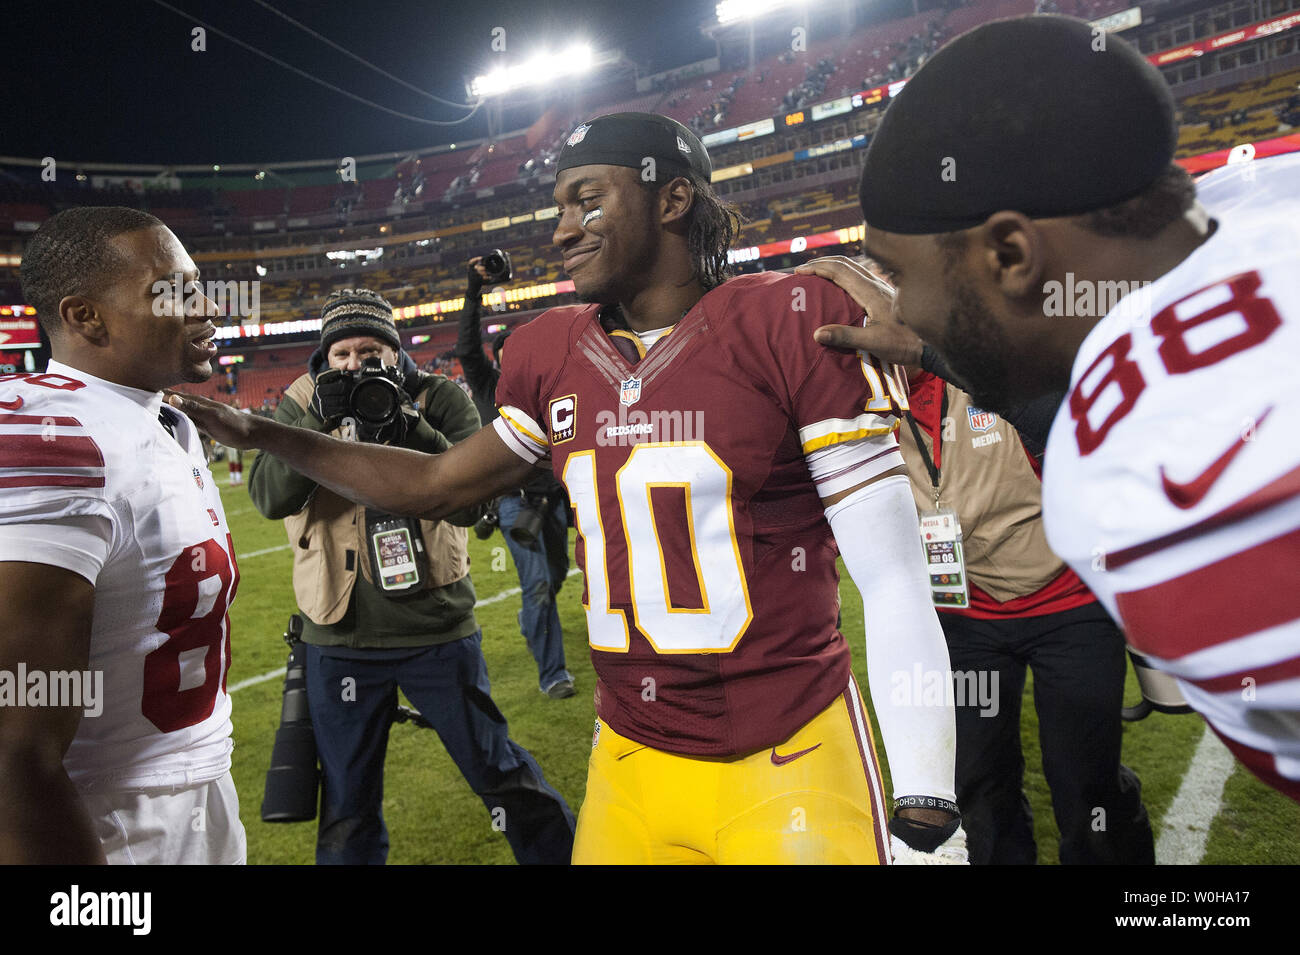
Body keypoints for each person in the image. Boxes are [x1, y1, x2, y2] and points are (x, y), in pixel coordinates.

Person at [170, 112, 966, 865]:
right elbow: (439, 484)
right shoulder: (549, 351)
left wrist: (928, 806)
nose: (559, 229)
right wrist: (265, 432)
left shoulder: (791, 322)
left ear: (673, 198)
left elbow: (893, 577)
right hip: (628, 754)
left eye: (588, 199)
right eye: (557, 204)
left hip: (787, 744)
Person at [810, 15, 1300, 801]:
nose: (906, 312)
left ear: (1009, 254)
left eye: (902, 274)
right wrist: (934, 353)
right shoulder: (1262, 211)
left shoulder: (1163, 490)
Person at [810, 280, 1154, 863]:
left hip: (1066, 604)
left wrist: (933, 352)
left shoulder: (990, 365)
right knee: (978, 783)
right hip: (962, 617)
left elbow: (1077, 423)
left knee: (1084, 781)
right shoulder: (848, 404)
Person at [246, 288, 575, 865]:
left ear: (395, 353)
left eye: (371, 351)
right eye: (343, 353)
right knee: (348, 804)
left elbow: (473, 504)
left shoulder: (439, 396)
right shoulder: (302, 400)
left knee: (497, 772)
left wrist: (406, 421)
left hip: (435, 627)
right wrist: (318, 425)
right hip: (337, 630)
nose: (357, 364)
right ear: (325, 357)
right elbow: (271, 498)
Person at [0, 206, 244, 863]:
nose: (208, 306)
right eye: (175, 290)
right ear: (86, 315)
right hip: (112, 824)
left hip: (194, 790)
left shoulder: (165, 419)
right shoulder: (53, 436)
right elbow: (12, 750)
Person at [454, 257, 575, 699]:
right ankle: (554, 675)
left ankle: (531, 620)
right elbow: (468, 348)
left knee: (557, 574)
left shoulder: (549, 388)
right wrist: (473, 292)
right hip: (512, 501)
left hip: (553, 500)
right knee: (538, 582)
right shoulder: (489, 386)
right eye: (505, 352)